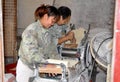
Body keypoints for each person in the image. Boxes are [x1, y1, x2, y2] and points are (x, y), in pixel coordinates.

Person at [16, 4, 60, 82]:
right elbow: (31, 54)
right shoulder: (31, 30)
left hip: (39, 66)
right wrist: (46, 64)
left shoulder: (48, 31)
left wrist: (58, 63)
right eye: (52, 21)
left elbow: (52, 49)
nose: (52, 24)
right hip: (27, 67)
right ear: (46, 16)